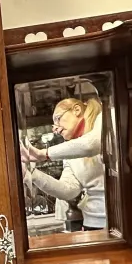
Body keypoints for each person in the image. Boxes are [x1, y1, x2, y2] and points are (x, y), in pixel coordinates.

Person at [20, 89, 105, 231]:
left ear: (76, 110)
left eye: (58, 119)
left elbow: (91, 144)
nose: (56, 129)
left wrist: (44, 154)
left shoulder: (103, 119)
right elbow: (68, 191)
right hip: (92, 224)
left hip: (120, 219)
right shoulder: (70, 153)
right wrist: (33, 174)